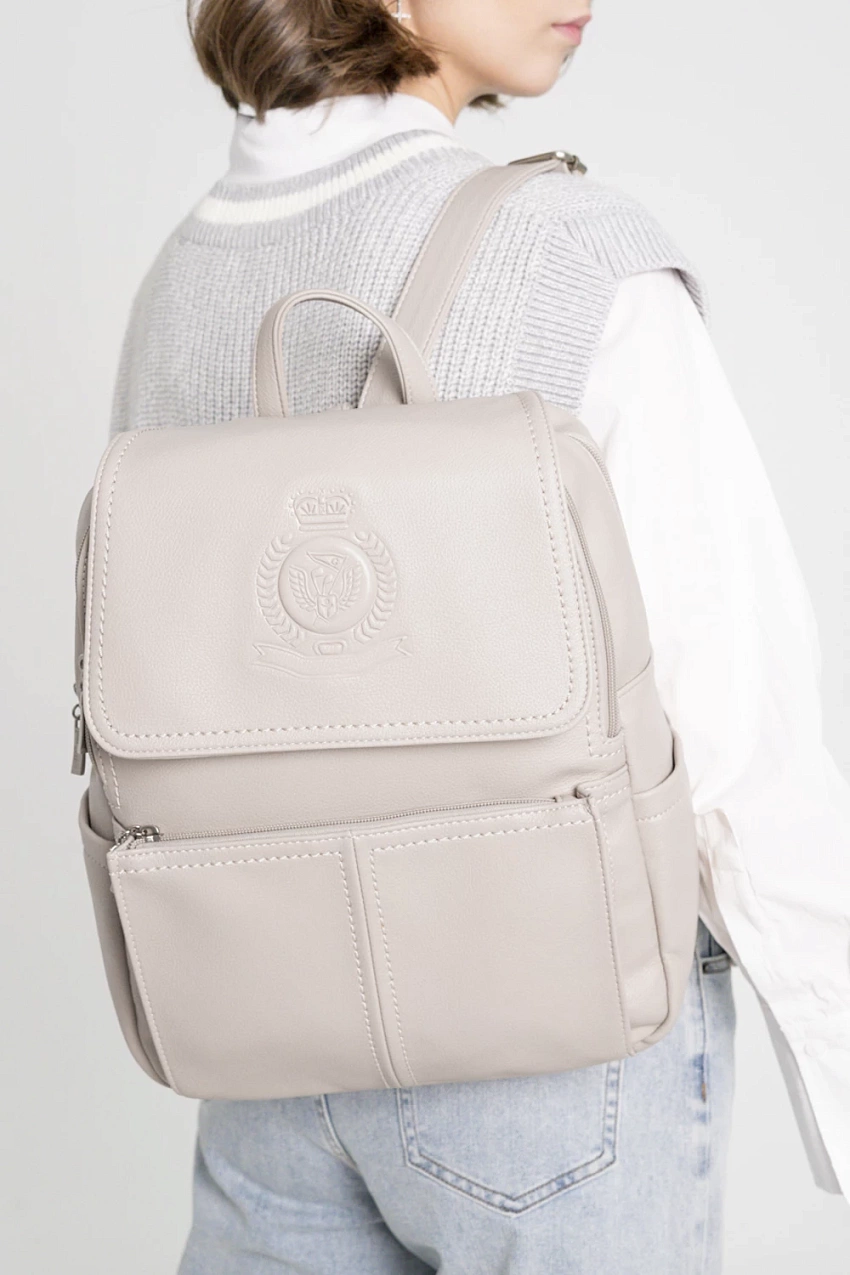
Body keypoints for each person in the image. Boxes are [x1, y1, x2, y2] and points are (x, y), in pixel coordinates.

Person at [109, 1, 849, 1269]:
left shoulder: (183, 271)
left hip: (266, 1054)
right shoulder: (570, 252)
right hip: (553, 1054)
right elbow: (737, 732)